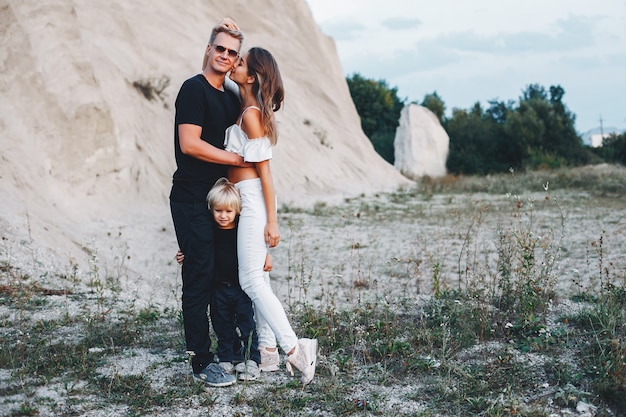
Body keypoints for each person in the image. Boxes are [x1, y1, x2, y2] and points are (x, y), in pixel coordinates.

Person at [225, 47, 318, 385]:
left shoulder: (250, 114)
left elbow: (265, 174)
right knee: (258, 280)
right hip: (246, 200)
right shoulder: (246, 107)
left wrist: (272, 221)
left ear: (251, 76)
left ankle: (296, 350)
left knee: (250, 279)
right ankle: (268, 355)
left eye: (240, 61)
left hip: (253, 201)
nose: (233, 62)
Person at [169, 17, 249, 387]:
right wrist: (234, 160)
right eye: (219, 47)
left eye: (232, 52)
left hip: (220, 202)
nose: (225, 55)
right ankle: (201, 361)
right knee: (198, 278)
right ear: (208, 49)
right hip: (190, 197)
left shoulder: (232, 97)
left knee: (222, 274)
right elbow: (189, 144)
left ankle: (230, 351)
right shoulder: (192, 90)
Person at [176, 178, 271, 382]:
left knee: (246, 325)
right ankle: (227, 358)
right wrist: (184, 254)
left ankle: (251, 359)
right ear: (211, 209)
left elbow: (255, 247)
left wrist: (266, 255)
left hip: (240, 288)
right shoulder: (209, 231)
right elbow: (198, 250)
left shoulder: (241, 231)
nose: (223, 216)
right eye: (218, 211)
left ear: (237, 211)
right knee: (222, 325)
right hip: (218, 289)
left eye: (228, 211)